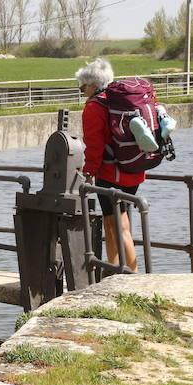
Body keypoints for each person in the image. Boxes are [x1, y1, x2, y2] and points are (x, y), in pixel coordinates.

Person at [77, 58, 143, 272]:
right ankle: (113, 269)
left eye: (84, 84)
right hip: (133, 169)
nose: (81, 88)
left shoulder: (94, 107)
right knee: (110, 222)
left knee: (120, 226)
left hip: (110, 174)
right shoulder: (119, 101)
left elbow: (94, 146)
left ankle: (133, 276)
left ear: (94, 85)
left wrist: (88, 173)